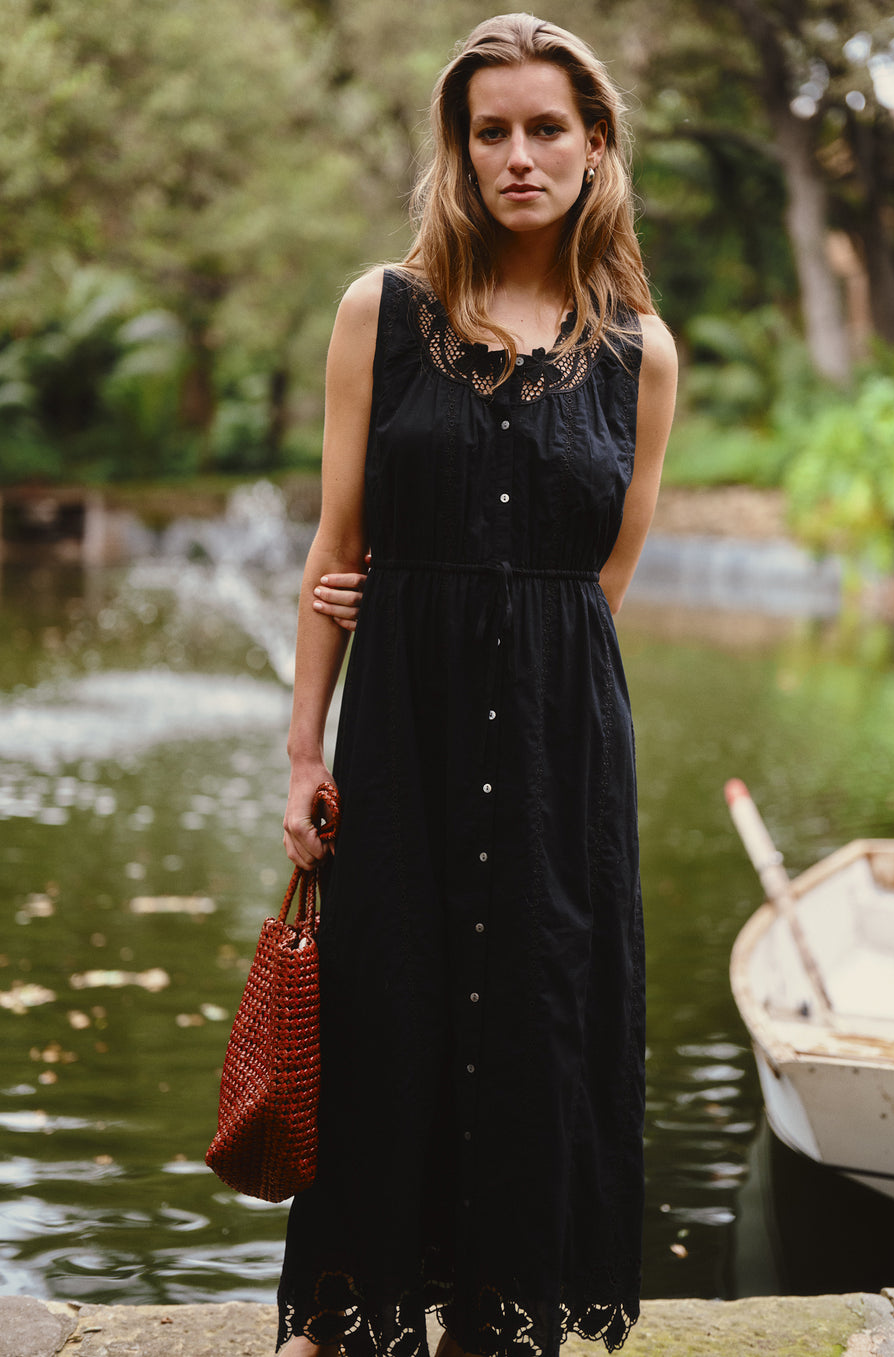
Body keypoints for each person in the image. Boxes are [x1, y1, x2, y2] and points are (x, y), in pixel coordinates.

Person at [279, 13, 677, 1357]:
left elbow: (602, 578)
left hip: (565, 749)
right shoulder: (377, 314)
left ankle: (501, 1326)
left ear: (595, 142)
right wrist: (303, 753)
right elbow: (335, 551)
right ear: (457, 148)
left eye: (545, 128)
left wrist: (501, 627)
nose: (518, 155)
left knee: (543, 1023)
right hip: (401, 734)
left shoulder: (641, 354)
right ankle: (364, 1319)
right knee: (389, 1009)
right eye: (490, 130)